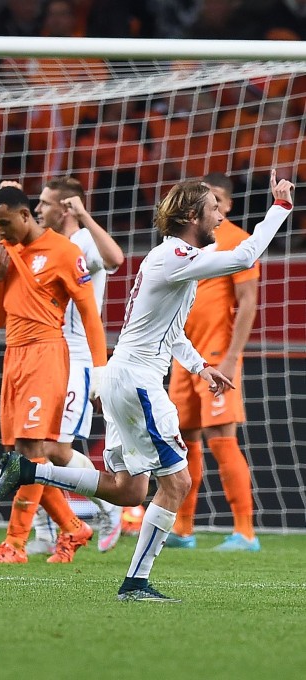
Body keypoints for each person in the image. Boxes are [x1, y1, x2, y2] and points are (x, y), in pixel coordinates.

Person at [0, 171, 293, 601]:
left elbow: (170, 332)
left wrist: (200, 366)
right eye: (213, 209)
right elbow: (243, 258)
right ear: (191, 216)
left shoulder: (171, 259)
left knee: (129, 489)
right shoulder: (176, 255)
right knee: (178, 484)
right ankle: (135, 583)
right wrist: (280, 208)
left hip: (123, 377)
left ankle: (28, 470)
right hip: (138, 384)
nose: (220, 217)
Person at [0, 185, 108, 565]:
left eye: (5, 223)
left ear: (24, 216)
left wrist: (100, 367)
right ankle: (73, 526)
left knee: (33, 451)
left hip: (47, 355)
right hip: (13, 356)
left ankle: (14, 545)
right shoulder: (5, 253)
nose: (0, 232)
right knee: (20, 457)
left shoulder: (65, 253)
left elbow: (89, 315)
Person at [26, 177, 126, 556]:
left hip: (78, 357)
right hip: (46, 354)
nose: (38, 209)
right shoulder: (47, 244)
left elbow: (116, 260)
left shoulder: (83, 241)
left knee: (55, 448)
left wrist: (84, 215)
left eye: (45, 203)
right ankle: (44, 533)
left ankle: (108, 506)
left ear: (66, 208)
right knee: (32, 444)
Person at [165, 173, 262, 551]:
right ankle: (184, 529)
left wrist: (233, 357)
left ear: (230, 204)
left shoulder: (238, 241)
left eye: (219, 199)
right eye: (207, 199)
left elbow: (249, 300)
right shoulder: (187, 242)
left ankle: (245, 532)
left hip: (219, 353)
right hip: (185, 356)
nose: (213, 206)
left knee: (221, 439)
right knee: (184, 439)